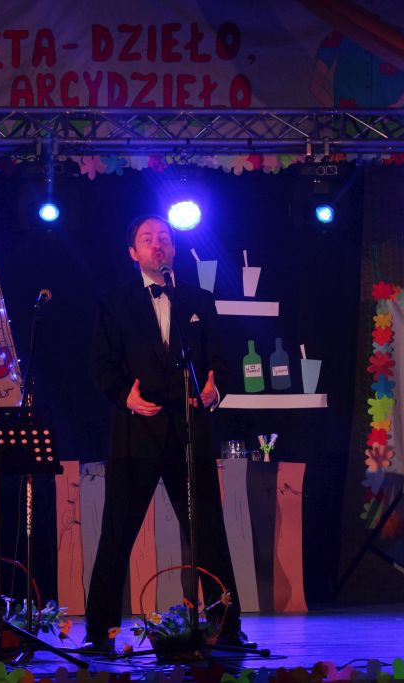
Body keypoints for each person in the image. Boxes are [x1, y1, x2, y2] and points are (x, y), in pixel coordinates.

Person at [83, 215, 250, 652]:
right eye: (147, 239)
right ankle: (99, 632)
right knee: (117, 533)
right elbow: (101, 365)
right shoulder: (114, 303)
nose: (157, 244)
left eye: (164, 238)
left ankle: (226, 626)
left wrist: (214, 390)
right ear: (133, 252)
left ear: (173, 249)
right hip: (136, 432)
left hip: (189, 431)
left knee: (208, 532)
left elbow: (219, 361)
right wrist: (125, 396)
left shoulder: (198, 299)